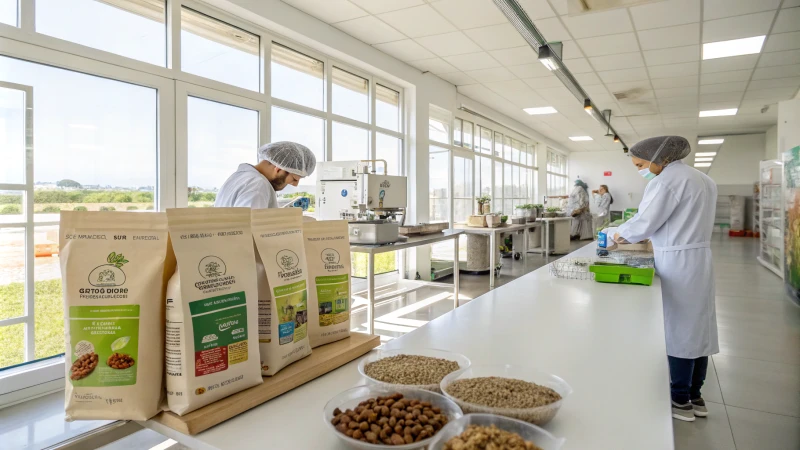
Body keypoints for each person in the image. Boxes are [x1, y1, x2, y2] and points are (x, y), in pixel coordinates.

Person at [612, 135, 718, 423]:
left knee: (680, 329)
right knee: (699, 328)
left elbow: (645, 221)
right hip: (699, 258)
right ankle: (696, 394)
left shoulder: (666, 181)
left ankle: (679, 399)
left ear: (658, 159)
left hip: (678, 261)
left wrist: (616, 234)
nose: (640, 170)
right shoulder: (702, 179)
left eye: (640, 165)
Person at [214, 141, 316, 209]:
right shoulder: (257, 185)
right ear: (279, 168)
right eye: (295, 178)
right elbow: (251, 232)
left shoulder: (238, 177)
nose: (295, 184)